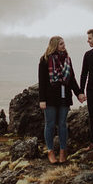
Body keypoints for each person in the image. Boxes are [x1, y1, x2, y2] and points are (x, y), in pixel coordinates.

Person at [38, 35, 82, 164]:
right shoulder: (45, 60)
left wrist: (78, 93)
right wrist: (42, 100)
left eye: (64, 43)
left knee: (62, 124)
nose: (64, 46)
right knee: (50, 124)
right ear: (55, 45)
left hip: (64, 97)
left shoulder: (67, 59)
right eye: (61, 44)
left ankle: (63, 151)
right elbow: (42, 82)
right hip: (50, 98)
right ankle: (50, 151)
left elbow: (72, 79)